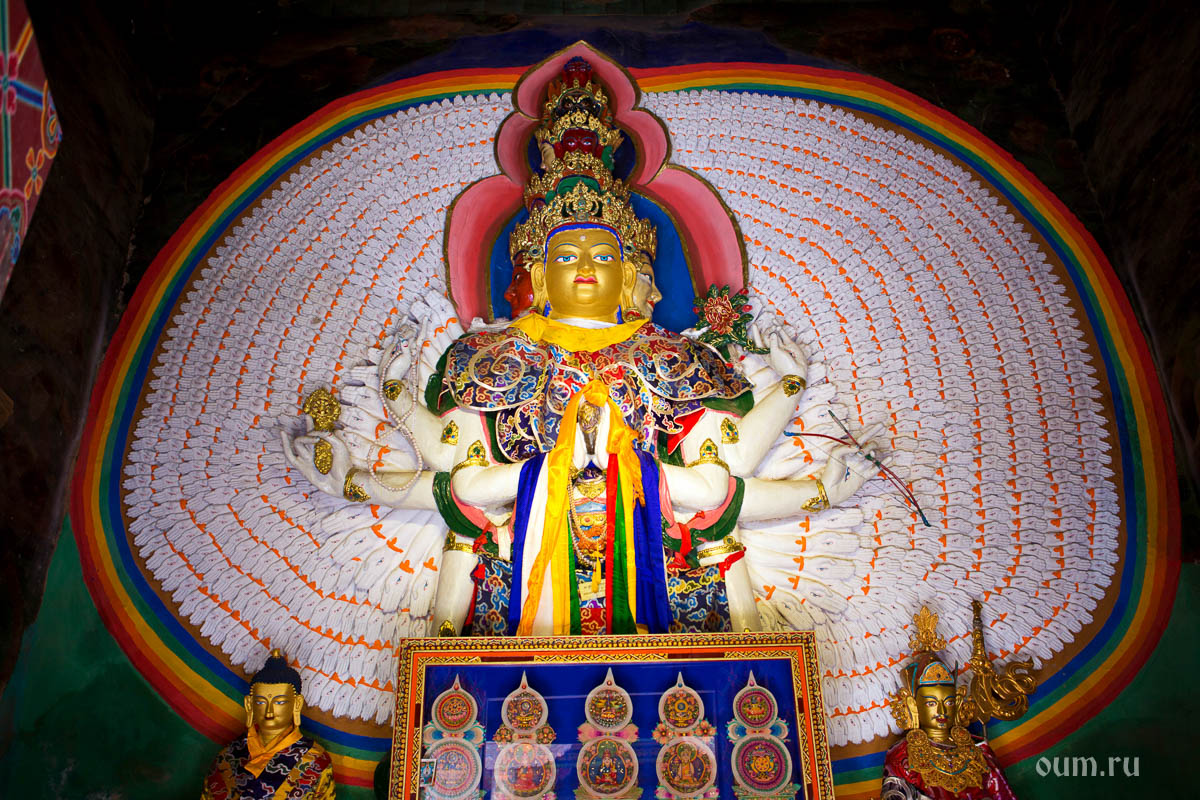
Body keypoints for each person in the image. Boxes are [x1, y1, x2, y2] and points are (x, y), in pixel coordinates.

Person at [282, 57, 883, 638]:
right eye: (566, 256)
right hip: (518, 581)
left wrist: (793, 406)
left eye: (603, 254)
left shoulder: (674, 359)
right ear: (540, 278)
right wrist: (374, 440)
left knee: (702, 513)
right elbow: (451, 470)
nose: (586, 267)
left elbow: (724, 477)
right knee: (471, 502)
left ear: (631, 273)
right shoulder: (489, 358)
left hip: (663, 581)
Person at [881, 609, 1017, 800]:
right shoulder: (903, 757)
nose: (941, 710)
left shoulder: (979, 752)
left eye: (949, 702)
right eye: (931, 703)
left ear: (958, 702)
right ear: (913, 705)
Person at [202, 649, 335, 799]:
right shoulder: (228, 756)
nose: (269, 711)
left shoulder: (315, 760)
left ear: (297, 704)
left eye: (279, 702)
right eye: (261, 702)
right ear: (249, 704)